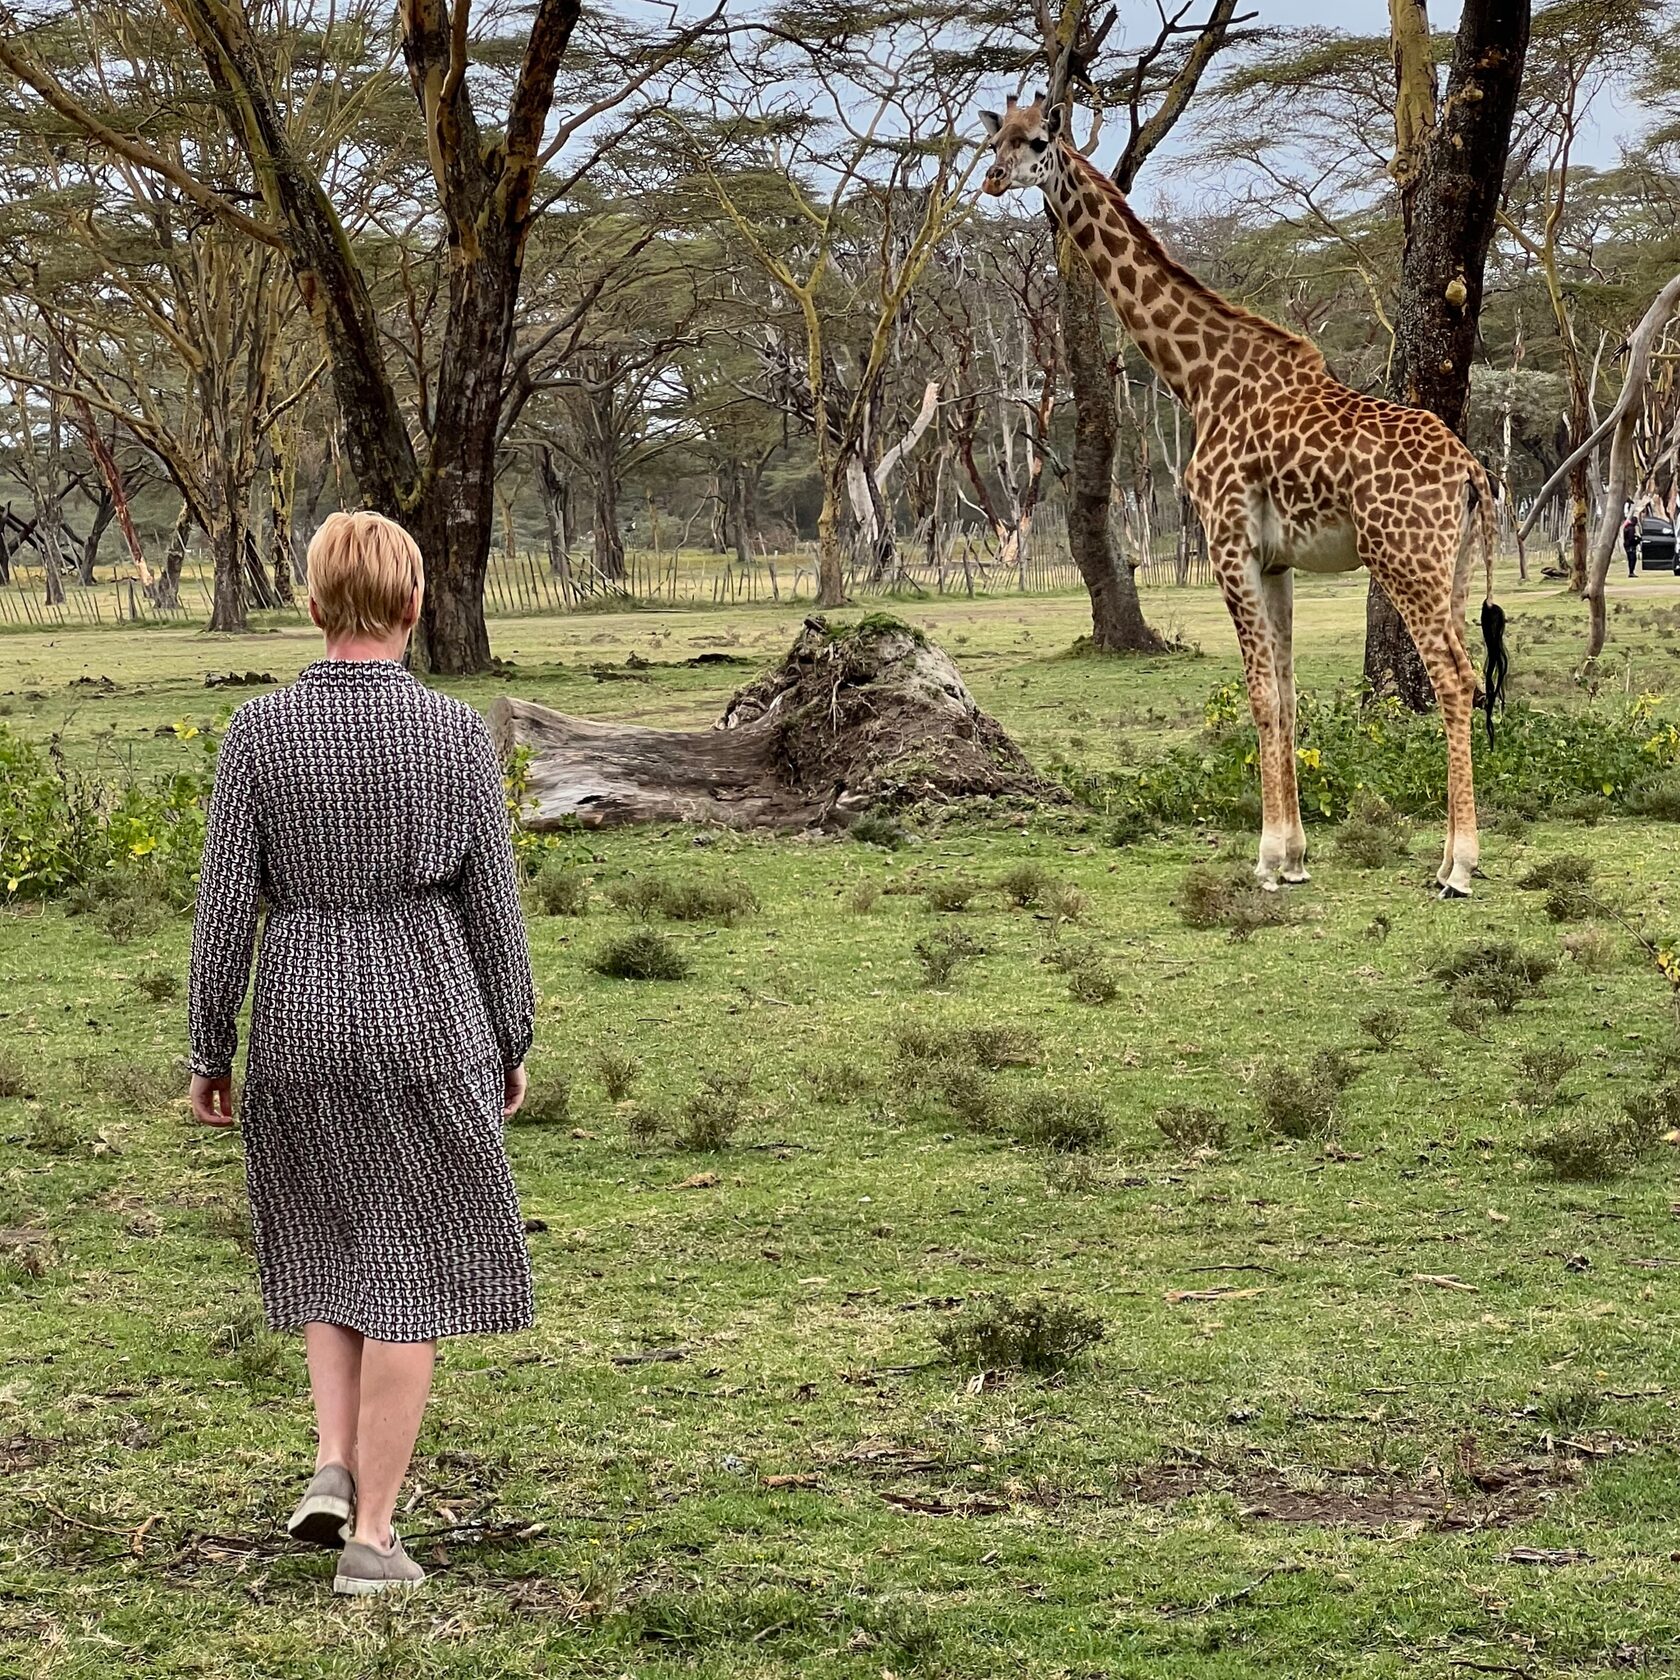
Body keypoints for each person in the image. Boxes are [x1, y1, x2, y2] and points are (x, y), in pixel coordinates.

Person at [187, 510, 534, 1596]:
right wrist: (511, 1031)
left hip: (295, 1013)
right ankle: (373, 1537)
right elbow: (495, 907)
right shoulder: (452, 735)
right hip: (427, 1009)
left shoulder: (256, 733)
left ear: (312, 604)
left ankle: (333, 1462)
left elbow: (221, 910)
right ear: (414, 603)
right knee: (415, 1271)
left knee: (330, 1247)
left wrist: (210, 1044)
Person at [1623, 512, 1641, 577]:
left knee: (1630, 559)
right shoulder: (1631, 528)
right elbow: (1631, 538)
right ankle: (1631, 572)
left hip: (1627, 545)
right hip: (1630, 546)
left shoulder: (1626, 527)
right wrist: (1637, 541)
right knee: (1632, 559)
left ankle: (1631, 572)